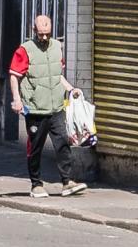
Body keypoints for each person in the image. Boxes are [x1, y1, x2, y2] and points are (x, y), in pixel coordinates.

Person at [7, 14, 86, 199]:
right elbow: (14, 76)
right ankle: (36, 184)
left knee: (63, 143)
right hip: (35, 109)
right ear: (33, 30)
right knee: (35, 147)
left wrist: (70, 89)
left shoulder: (58, 47)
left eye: (47, 34)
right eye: (40, 34)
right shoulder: (24, 50)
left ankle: (67, 182)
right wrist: (17, 99)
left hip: (56, 107)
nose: (43, 38)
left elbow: (57, 75)